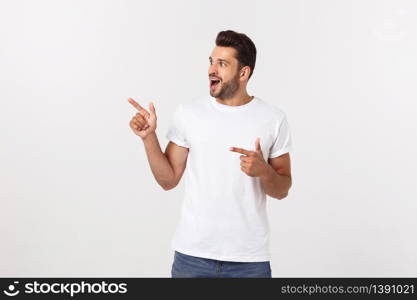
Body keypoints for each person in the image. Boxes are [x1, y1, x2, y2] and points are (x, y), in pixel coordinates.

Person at [128, 30, 293, 278]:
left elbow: (282, 189)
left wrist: (264, 171)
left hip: (249, 262)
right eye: (211, 61)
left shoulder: (273, 119)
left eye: (222, 64)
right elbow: (168, 180)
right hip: (192, 258)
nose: (211, 70)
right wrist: (149, 137)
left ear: (244, 73)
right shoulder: (188, 113)